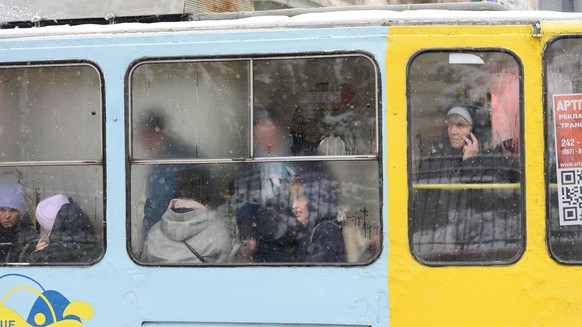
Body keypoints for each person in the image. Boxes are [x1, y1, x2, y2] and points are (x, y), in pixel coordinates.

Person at [413, 100, 520, 261]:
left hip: (479, 244)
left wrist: (470, 163)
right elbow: (424, 205)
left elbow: (497, 200)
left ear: (474, 131)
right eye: (450, 125)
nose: (453, 131)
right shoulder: (436, 161)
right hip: (439, 244)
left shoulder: (492, 160)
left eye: (460, 125)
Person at [230, 105, 319, 262]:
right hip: (265, 236)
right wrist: (248, 233)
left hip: (300, 233)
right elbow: (243, 200)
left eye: (271, 137)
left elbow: (320, 192)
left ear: (282, 131)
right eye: (261, 139)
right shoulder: (249, 158)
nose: (267, 144)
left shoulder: (305, 152)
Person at [140, 170, 233, 264]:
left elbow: (144, 266)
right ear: (207, 197)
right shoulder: (218, 231)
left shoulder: (154, 232)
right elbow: (226, 268)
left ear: (177, 193)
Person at [139, 110, 199, 237]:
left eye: (145, 136)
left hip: (172, 232)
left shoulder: (168, 161)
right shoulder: (176, 154)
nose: (143, 142)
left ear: (155, 134)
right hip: (187, 229)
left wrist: (148, 237)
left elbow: (159, 204)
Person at [21, 194, 101, 263]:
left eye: (42, 224)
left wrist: (37, 254)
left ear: (52, 226)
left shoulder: (51, 252)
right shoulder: (90, 239)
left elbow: (27, 273)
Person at [287, 173, 345, 262]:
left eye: (299, 198)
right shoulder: (313, 230)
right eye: (292, 199)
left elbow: (315, 273)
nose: (293, 206)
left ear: (314, 200)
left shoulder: (326, 231)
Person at [0, 181, 37, 262]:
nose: (7, 216)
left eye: (12, 210)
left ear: (20, 213)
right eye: (2, 210)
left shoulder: (29, 235)